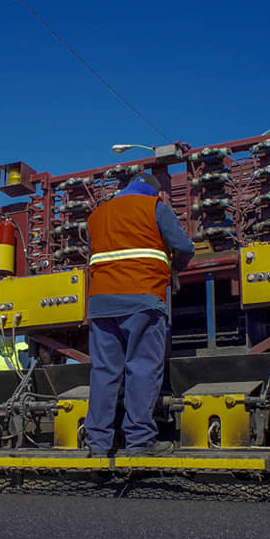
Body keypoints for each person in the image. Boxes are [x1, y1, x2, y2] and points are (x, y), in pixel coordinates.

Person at [83, 172, 194, 457]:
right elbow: (184, 247)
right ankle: (140, 440)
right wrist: (174, 269)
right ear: (155, 192)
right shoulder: (154, 207)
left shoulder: (98, 215)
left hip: (101, 303)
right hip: (142, 298)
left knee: (104, 373)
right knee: (142, 368)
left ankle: (97, 443)